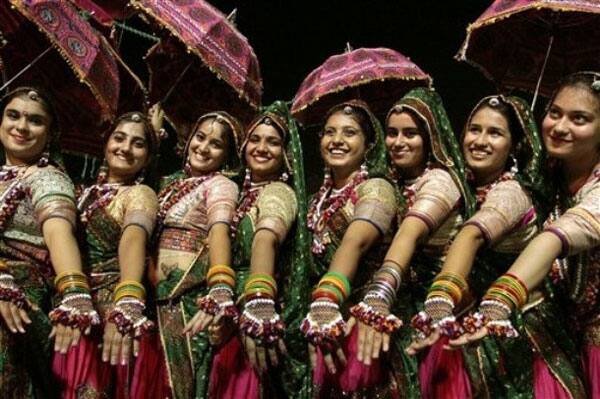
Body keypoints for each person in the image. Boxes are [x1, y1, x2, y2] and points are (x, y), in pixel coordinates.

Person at [406, 95, 586, 398]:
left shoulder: (512, 192)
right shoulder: (458, 188)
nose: (480, 140)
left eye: (495, 133)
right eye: (474, 129)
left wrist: (440, 300)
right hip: (460, 330)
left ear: (514, 146)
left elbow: (471, 235)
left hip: (514, 336)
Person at [462, 72, 600, 398]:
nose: (560, 127)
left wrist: (501, 299)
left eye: (579, 118)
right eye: (555, 113)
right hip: (556, 334)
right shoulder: (541, 179)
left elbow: (554, 238)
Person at [350, 87, 475, 398]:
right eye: (392, 133)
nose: (398, 142)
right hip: (391, 314)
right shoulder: (385, 183)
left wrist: (380, 294)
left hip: (430, 311)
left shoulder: (441, 181)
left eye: (410, 133)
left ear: (431, 136)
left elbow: (411, 230)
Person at [53, 108, 163, 398]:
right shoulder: (83, 193)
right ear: (106, 143)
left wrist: (125, 304)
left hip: (111, 313)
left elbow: (133, 240)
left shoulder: (141, 195)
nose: (125, 148)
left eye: (138, 144)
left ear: (148, 158)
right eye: (119, 138)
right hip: (74, 306)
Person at [205, 101, 312, 399]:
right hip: (224, 314)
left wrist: (258, 300)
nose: (261, 148)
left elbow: (266, 237)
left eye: (273, 142)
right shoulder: (235, 192)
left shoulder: (279, 192)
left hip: (253, 319)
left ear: (287, 154)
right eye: (255, 139)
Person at [0, 87, 98, 397]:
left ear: (51, 132)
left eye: (35, 121)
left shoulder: (47, 178)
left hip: (15, 296)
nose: (21, 127)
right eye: (13, 115)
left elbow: (59, 233)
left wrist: (74, 292)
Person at [300, 100, 400, 397]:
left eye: (349, 133)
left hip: (359, 324)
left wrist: (326, 300)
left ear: (369, 144)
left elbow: (355, 242)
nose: (337, 140)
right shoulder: (315, 199)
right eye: (329, 132)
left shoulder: (377, 188)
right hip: (320, 324)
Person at [152, 111, 241, 399]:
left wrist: (219, 289)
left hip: (187, 302)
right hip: (152, 300)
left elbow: (219, 231)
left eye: (216, 144)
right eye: (200, 137)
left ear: (227, 155)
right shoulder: (169, 183)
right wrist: (153, 135)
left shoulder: (220, 185)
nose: (203, 148)